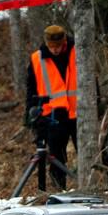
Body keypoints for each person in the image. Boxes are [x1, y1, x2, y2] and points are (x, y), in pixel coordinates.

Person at [25, 25, 77, 191]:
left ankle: (90, 187)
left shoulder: (78, 51)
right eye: (51, 47)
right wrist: (30, 116)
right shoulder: (37, 59)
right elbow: (31, 90)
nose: (54, 50)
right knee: (56, 158)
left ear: (64, 43)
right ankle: (58, 191)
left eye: (58, 46)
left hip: (79, 114)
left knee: (86, 156)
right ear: (46, 44)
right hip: (54, 117)